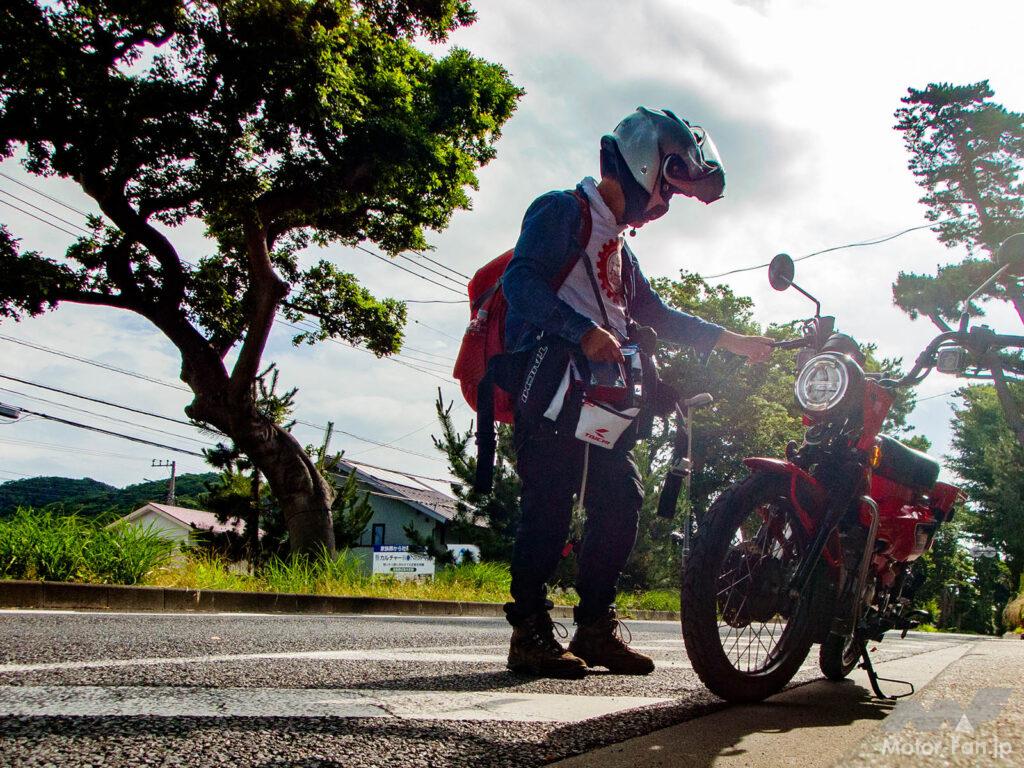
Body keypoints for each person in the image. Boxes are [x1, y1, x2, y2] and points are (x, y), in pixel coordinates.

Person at [500, 106, 773, 678]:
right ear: (645, 163)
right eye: (667, 191)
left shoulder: (622, 249)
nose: (664, 206)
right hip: (550, 387)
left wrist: (733, 342)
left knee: (621, 502)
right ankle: (528, 633)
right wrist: (580, 331)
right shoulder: (562, 210)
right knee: (548, 506)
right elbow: (519, 282)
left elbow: (658, 315)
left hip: (601, 399)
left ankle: (594, 629)